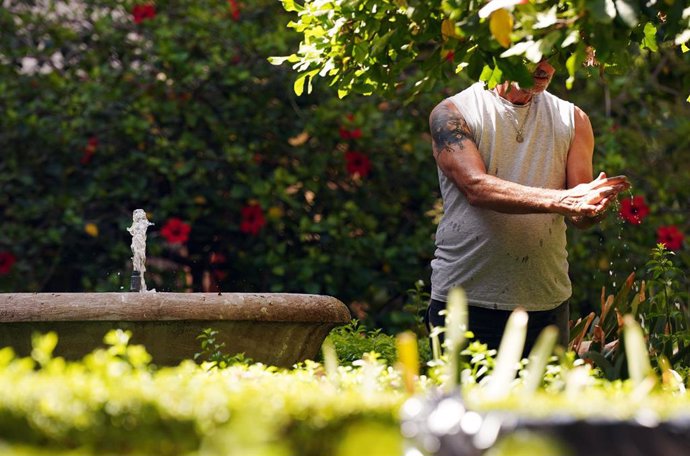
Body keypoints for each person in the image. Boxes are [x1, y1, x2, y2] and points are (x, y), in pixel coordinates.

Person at [425, 59, 630, 355]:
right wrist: (565, 200)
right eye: (538, 52)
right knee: (467, 402)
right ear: (503, 48)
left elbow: (578, 214)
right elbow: (475, 187)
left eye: (556, 56)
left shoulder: (573, 119)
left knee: (543, 401)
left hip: (546, 301)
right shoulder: (453, 113)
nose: (546, 66)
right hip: (466, 298)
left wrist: (594, 205)